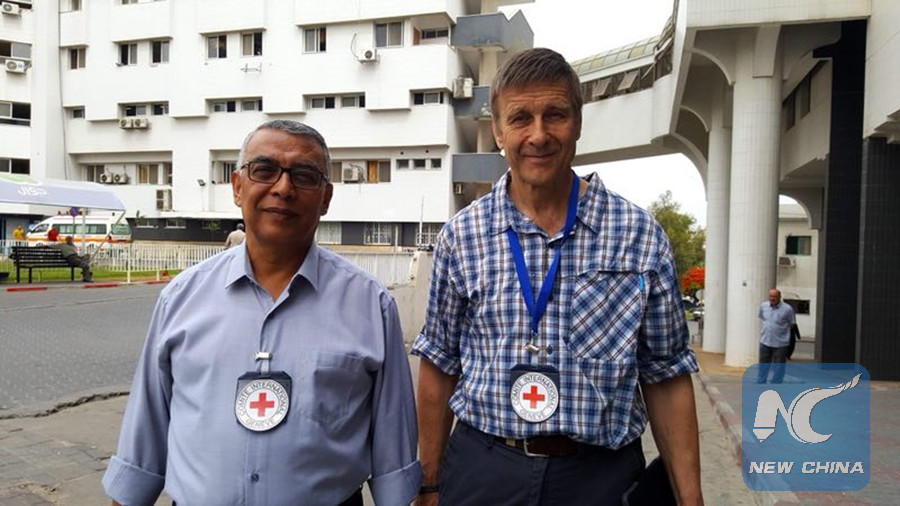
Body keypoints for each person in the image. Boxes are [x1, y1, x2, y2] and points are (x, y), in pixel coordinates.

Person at [411, 48, 702, 506]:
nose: (539, 135)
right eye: (520, 118)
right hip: (483, 470)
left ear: (578, 123)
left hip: (600, 477)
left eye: (555, 115)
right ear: (498, 132)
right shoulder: (461, 237)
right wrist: (428, 484)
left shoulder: (638, 235)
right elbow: (439, 364)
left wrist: (691, 499)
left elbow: (665, 375)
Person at [102, 120, 422, 506]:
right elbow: (144, 436)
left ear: (325, 198)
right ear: (237, 186)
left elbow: (393, 455)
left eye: (304, 176)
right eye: (265, 170)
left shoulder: (370, 304)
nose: (283, 188)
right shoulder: (182, 298)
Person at [756, 288, 799, 383]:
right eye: (771, 296)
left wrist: (780, 330)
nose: (772, 298)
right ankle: (761, 381)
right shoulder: (764, 306)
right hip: (765, 340)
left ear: (779, 297)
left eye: (775, 296)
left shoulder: (787, 309)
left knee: (779, 364)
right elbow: (763, 318)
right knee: (763, 363)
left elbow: (792, 323)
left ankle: (776, 382)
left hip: (780, 342)